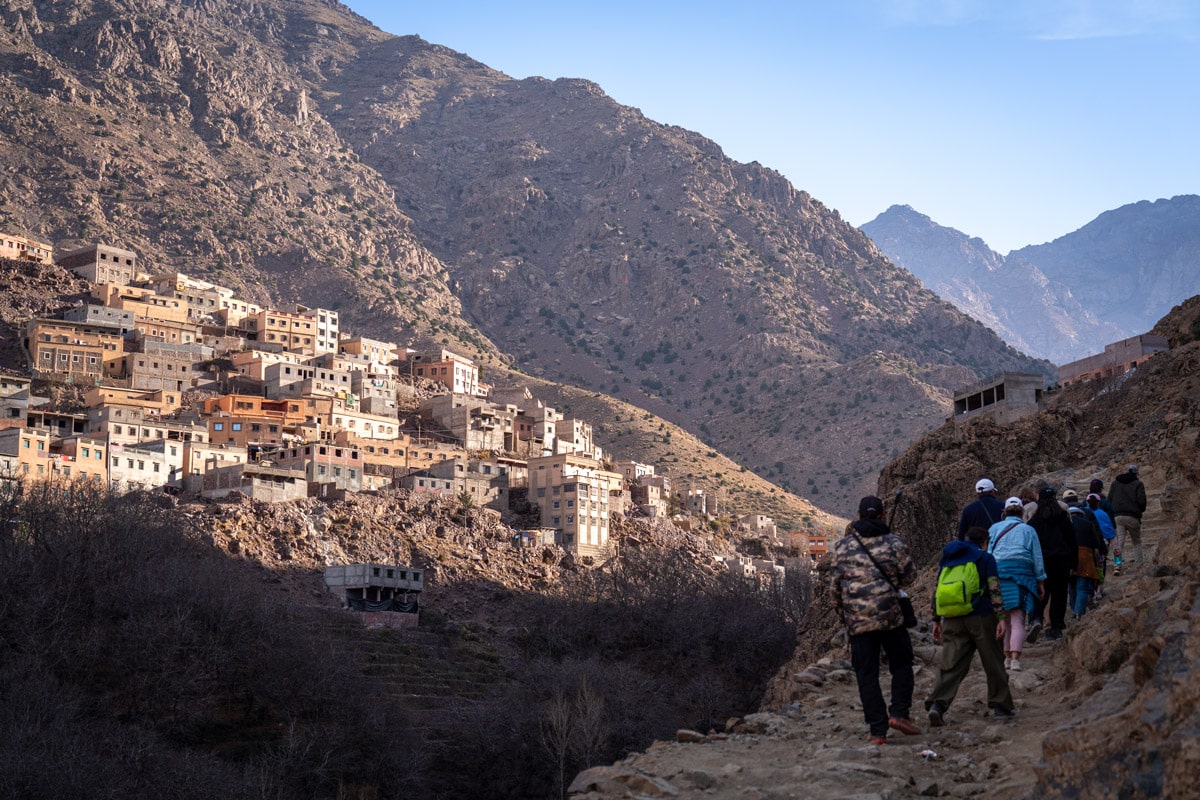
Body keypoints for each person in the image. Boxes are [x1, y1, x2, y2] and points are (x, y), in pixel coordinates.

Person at [830, 495, 920, 744]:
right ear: (882, 515)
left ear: (858, 517)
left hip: (858, 622)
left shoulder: (842, 547)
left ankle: (877, 730)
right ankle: (900, 714)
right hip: (891, 617)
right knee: (902, 665)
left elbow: (834, 590)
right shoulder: (895, 543)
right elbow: (910, 576)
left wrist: (845, 618)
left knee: (866, 674)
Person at [926, 527, 1014, 726]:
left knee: (951, 663)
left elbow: (939, 588)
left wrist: (935, 619)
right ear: (984, 541)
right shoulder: (985, 559)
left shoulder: (949, 558)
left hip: (952, 617)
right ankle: (1001, 707)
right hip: (982, 616)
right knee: (993, 661)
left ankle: (937, 705)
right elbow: (994, 587)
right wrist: (1001, 617)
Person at [988, 498, 1046, 671]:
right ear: (1021, 512)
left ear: (1005, 512)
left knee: (1003, 618)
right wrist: (1040, 580)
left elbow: (989, 554)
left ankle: (1005, 657)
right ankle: (1015, 659)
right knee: (1018, 619)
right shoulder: (1028, 530)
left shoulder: (993, 528)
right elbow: (1037, 556)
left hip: (998, 573)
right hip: (1021, 574)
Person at [1027, 487, 1077, 641]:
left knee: (1041, 593)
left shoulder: (1035, 520)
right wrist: (1074, 565)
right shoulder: (1063, 517)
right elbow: (1072, 541)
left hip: (1042, 562)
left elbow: (1029, 540)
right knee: (1060, 595)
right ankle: (1056, 627)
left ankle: (1036, 619)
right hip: (1062, 562)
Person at [1067, 505, 1105, 619]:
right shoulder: (1088, 524)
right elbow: (1096, 542)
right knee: (1082, 586)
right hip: (1085, 557)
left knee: (1072, 585)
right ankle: (1079, 612)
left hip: (1068, 556)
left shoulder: (1066, 524)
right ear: (1080, 514)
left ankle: (1073, 610)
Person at [1109, 465, 1148, 571]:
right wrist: (1140, 511)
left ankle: (1117, 565)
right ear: (1136, 473)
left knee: (1119, 542)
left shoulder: (1115, 483)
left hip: (1118, 516)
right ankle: (1139, 567)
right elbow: (1142, 501)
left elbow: (1110, 498)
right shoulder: (1138, 484)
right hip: (1133, 517)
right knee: (1136, 542)